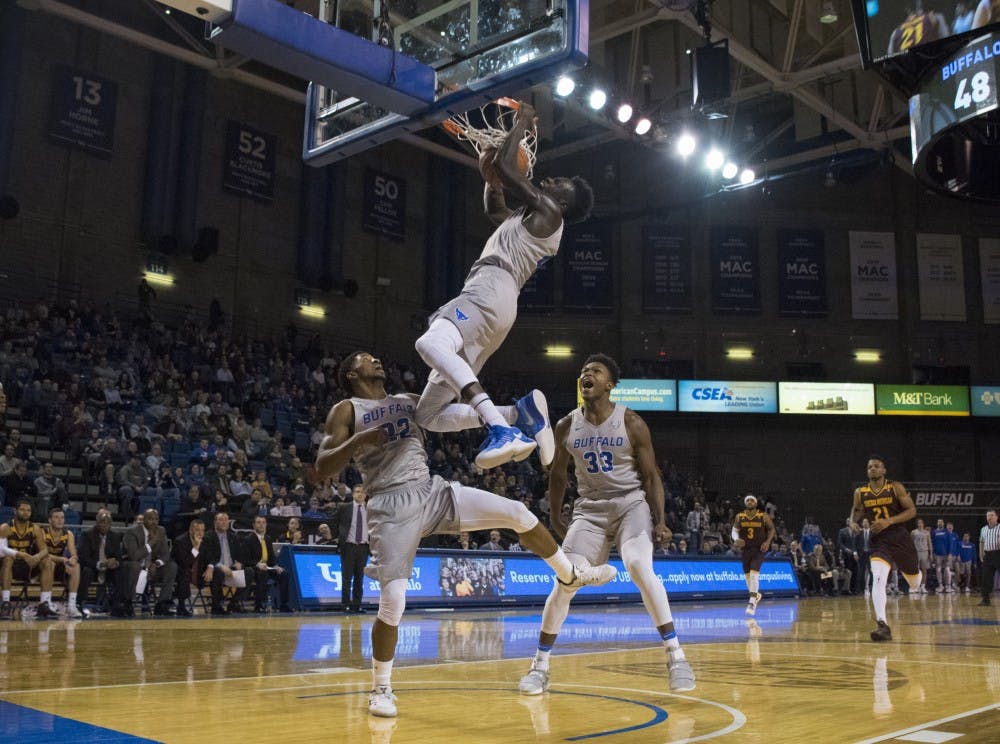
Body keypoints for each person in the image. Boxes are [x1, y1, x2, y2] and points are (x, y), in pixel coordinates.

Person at [315, 351, 615, 718]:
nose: (377, 360)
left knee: (517, 513)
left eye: (378, 357)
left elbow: (450, 419)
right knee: (393, 600)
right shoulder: (346, 409)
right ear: (350, 373)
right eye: (366, 359)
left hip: (431, 491)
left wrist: (501, 411)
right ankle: (381, 687)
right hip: (390, 506)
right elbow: (321, 467)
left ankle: (570, 574)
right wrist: (359, 441)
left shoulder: (408, 402)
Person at [413, 100, 594, 470]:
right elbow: (494, 209)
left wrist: (524, 119)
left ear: (560, 201)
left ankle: (500, 430)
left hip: (490, 287)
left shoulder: (551, 212)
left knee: (429, 341)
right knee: (427, 415)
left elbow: (510, 168)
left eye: (558, 183)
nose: (551, 179)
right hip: (498, 301)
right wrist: (492, 182)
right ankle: (517, 413)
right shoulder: (529, 218)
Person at [517, 354, 695, 698]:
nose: (587, 374)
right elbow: (557, 474)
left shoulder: (631, 422)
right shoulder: (567, 425)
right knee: (565, 582)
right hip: (589, 510)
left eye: (595, 371)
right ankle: (540, 666)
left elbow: (651, 476)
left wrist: (661, 521)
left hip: (630, 504)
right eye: (584, 371)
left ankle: (677, 657)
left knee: (639, 566)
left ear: (609, 384)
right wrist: (555, 515)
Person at [849, 456, 921, 642]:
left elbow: (911, 511)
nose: (872, 469)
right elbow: (856, 510)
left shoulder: (895, 487)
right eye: (869, 466)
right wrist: (852, 522)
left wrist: (889, 521)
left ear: (884, 470)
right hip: (879, 540)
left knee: (914, 582)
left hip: (899, 536)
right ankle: (883, 625)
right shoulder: (861, 492)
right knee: (878, 578)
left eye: (876, 466)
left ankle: (915, 576)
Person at [0, 500, 56, 619]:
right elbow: (1, 550)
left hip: (27, 566)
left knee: (47, 561)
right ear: (15, 511)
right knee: (8, 559)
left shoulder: (35, 529)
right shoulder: (6, 527)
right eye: (22, 509)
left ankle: (44, 604)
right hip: (9, 566)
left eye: (28, 510)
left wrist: (37, 556)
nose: (25, 512)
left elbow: (44, 550)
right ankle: (5, 603)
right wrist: (22, 555)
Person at [120, 508, 178, 617]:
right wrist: (151, 543)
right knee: (135, 566)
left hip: (152, 568)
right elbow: (134, 556)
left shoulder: (161, 531)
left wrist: (156, 563)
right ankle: (127, 603)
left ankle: (162, 604)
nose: (154, 522)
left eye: (156, 519)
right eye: (150, 519)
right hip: (135, 567)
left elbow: (166, 554)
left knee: (172, 566)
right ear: (144, 520)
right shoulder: (132, 532)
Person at [200, 511, 254, 615]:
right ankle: (216, 605)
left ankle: (234, 603)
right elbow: (207, 557)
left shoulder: (234, 537)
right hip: (215, 569)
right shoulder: (208, 536)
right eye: (221, 520)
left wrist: (239, 563)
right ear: (215, 522)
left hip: (231, 569)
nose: (224, 522)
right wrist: (220, 566)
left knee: (249, 571)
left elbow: (241, 556)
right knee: (217, 571)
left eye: (226, 520)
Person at [731, 494, 775, 616]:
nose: (750, 502)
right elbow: (734, 531)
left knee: (754, 574)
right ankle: (756, 594)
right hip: (745, 549)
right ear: (745, 503)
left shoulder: (763, 516)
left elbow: (772, 529)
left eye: (752, 500)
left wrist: (767, 542)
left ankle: (752, 602)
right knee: (747, 577)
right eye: (748, 500)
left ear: (756, 503)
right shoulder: (740, 516)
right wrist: (736, 539)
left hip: (759, 549)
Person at [78, 508, 125, 613]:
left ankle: (117, 604)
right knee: (86, 571)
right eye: (102, 522)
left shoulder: (115, 536)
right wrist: (101, 564)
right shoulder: (87, 535)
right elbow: (83, 558)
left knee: (120, 571)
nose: (105, 525)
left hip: (108, 570)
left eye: (108, 523)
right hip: (92, 568)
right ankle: (80, 602)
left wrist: (115, 563)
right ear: (97, 522)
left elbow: (119, 557)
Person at [40, 507, 83, 618]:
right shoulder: (42, 533)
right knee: (50, 562)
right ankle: (46, 603)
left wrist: (72, 560)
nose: (60, 520)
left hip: (58, 565)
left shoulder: (68, 534)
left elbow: (74, 554)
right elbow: (42, 554)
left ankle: (71, 605)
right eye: (56, 517)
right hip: (41, 566)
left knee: (76, 566)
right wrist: (62, 560)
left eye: (62, 518)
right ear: (50, 520)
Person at [247, 515, 291, 613]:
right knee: (262, 574)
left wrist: (275, 565)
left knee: (284, 574)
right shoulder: (249, 539)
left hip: (267, 567)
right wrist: (257, 564)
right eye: (258, 522)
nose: (261, 525)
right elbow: (245, 559)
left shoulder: (267, 538)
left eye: (263, 522)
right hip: (255, 568)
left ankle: (284, 604)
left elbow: (271, 557)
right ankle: (259, 605)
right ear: (253, 525)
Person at [338, 484, 369, 614]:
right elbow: (334, 521)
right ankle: (345, 604)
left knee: (359, 578)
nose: (360, 494)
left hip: (363, 547)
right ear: (353, 494)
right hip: (349, 546)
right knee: (347, 577)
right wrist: (338, 537)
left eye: (362, 492)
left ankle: (357, 605)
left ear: (366, 495)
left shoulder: (370, 509)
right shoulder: (345, 507)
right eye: (357, 492)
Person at [170, 518, 206, 617]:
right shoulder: (180, 541)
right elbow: (185, 562)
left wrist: (210, 568)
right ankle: (181, 606)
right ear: (190, 530)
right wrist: (196, 548)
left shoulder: (205, 541)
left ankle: (217, 606)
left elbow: (209, 558)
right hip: (179, 572)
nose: (200, 533)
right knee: (185, 572)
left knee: (216, 572)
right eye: (197, 530)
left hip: (198, 572)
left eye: (202, 530)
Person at [978, 508, 1000, 606]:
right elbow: (981, 542)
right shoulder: (983, 529)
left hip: (998, 554)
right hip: (988, 555)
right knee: (986, 578)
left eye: (991, 515)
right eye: (988, 516)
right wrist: (981, 554)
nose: (989, 518)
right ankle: (985, 600)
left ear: (996, 517)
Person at [931, 518, 952, 593]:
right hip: (937, 554)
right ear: (937, 524)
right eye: (938, 522)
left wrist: (949, 553)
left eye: (941, 522)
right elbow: (932, 543)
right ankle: (940, 586)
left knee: (947, 569)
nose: (940, 523)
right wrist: (933, 553)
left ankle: (948, 586)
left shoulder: (947, 532)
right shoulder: (934, 532)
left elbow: (950, 543)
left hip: (946, 554)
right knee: (938, 570)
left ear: (943, 523)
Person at [910, 518, 931, 594]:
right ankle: (914, 586)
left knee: (924, 570)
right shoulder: (913, 532)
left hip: (924, 552)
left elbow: (929, 543)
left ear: (923, 524)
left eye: (921, 523)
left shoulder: (927, 532)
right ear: (917, 524)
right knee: (915, 570)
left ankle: (923, 586)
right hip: (916, 552)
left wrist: (931, 553)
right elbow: (911, 543)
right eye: (918, 523)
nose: (920, 524)